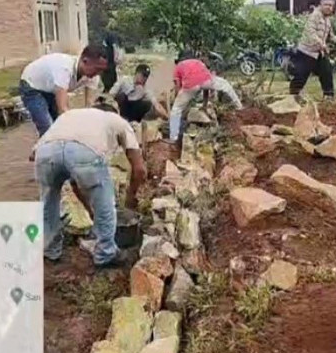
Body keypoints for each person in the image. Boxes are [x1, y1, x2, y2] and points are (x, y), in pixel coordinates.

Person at [32, 103, 147, 268]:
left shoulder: (69, 116)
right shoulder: (117, 121)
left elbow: (74, 181)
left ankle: (51, 251)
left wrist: (90, 211)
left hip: (45, 153)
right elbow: (140, 170)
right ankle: (105, 253)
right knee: (106, 202)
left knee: (48, 205)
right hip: (84, 153)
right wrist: (130, 197)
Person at [19, 46, 108, 137]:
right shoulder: (64, 69)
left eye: (101, 70)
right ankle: (44, 149)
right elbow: (63, 108)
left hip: (50, 87)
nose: (98, 74)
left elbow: (89, 106)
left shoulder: (93, 76)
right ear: (85, 61)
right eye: (97, 69)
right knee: (48, 128)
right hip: (31, 84)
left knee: (58, 125)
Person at [169, 53, 242, 142]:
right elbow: (205, 87)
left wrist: (178, 100)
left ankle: (173, 137)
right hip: (206, 81)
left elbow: (177, 86)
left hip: (190, 85)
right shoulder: (198, 62)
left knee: (176, 109)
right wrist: (205, 105)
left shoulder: (178, 67)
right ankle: (239, 107)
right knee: (225, 85)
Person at [290, 0, 336, 98]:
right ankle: (293, 96)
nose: (329, 7)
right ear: (321, 5)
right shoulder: (315, 16)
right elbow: (311, 32)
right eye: (326, 5)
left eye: (331, 5)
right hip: (306, 52)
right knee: (301, 75)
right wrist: (321, 43)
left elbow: (330, 35)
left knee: (327, 72)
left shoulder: (327, 20)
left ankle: (328, 96)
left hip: (319, 52)